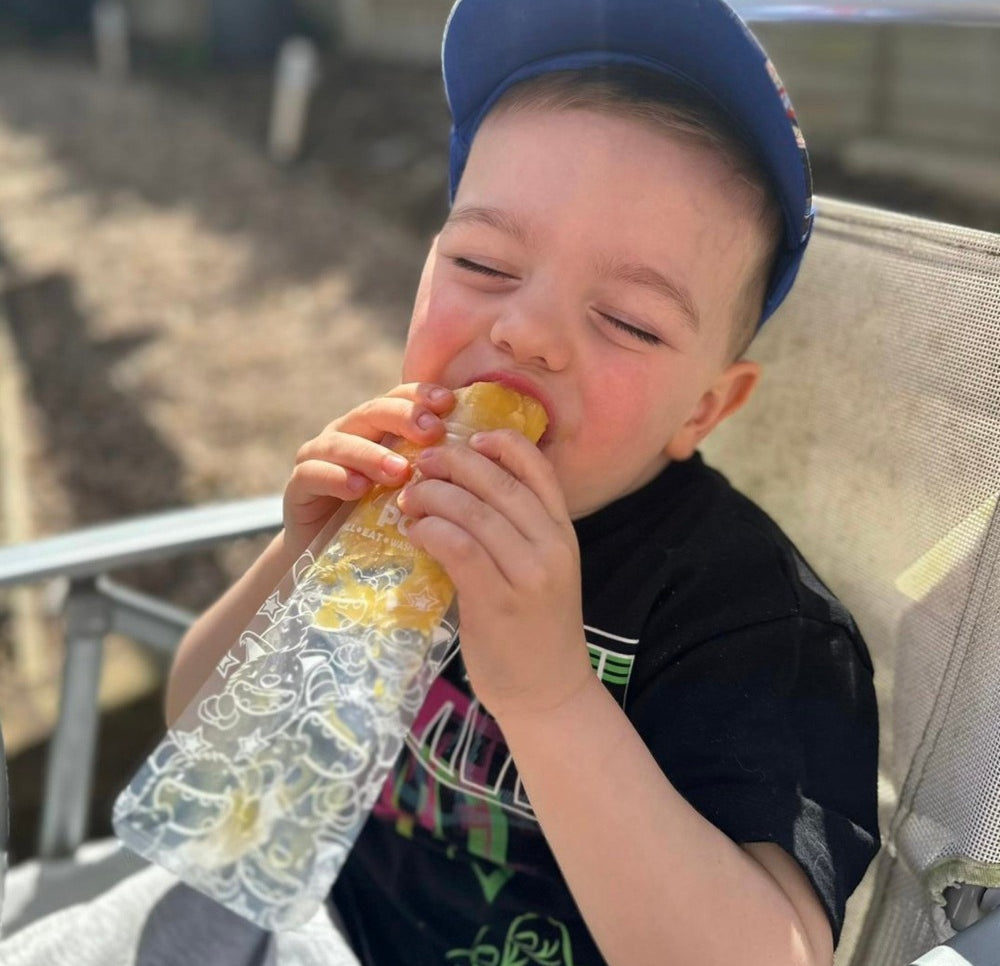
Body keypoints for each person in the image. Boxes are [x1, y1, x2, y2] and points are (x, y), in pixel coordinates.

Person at [166, 1, 880, 964]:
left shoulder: (757, 624)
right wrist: (298, 558)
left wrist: (548, 698)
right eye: (483, 261)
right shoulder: (389, 500)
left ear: (706, 410)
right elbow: (204, 736)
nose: (527, 331)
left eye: (628, 320)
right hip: (324, 925)